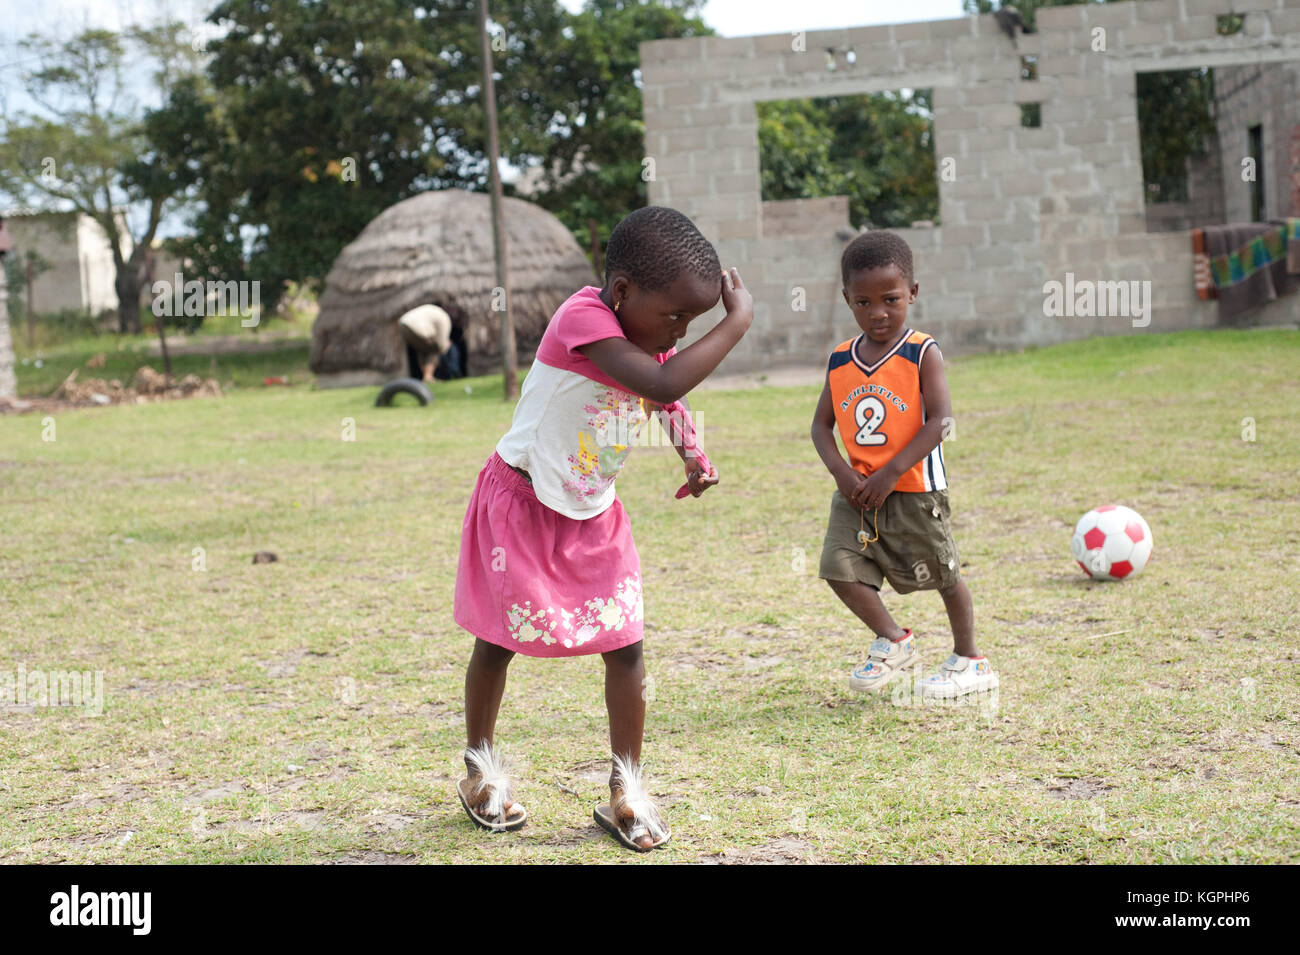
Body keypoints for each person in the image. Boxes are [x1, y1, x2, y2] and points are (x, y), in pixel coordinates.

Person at [453, 206, 753, 851]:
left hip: (593, 511)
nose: (678, 332)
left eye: (691, 322)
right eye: (673, 316)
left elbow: (666, 392)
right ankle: (480, 768)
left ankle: (628, 785)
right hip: (522, 504)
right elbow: (665, 376)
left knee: (627, 646)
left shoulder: (648, 333)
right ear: (622, 293)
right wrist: (737, 322)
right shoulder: (582, 318)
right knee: (496, 643)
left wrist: (691, 452)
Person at [810, 230, 998, 700]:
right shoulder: (839, 360)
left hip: (914, 488)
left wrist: (891, 472)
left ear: (912, 292)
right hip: (857, 493)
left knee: (944, 574)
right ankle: (895, 640)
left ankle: (970, 660)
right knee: (837, 566)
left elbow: (941, 421)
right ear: (847, 300)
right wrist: (842, 473)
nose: (878, 312)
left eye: (891, 299)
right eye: (863, 302)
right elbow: (819, 427)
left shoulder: (920, 352)